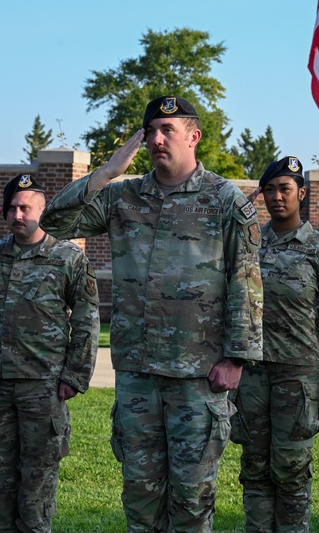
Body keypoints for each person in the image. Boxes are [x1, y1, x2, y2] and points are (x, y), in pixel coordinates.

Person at [39, 95, 263, 532]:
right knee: (140, 493)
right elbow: (54, 222)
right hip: (138, 370)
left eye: (168, 130)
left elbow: (247, 281)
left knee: (192, 496)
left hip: (197, 373)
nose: (158, 140)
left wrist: (236, 357)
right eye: (151, 132)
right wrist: (105, 173)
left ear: (194, 136)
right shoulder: (123, 196)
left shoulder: (224, 200)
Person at [0, 174, 100, 533]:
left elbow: (89, 320)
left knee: (38, 477)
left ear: (43, 212)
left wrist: (75, 375)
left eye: (25, 207)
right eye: (12, 207)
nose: (17, 214)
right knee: (0, 477)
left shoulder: (67, 258)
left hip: (42, 384)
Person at [231, 156, 319, 533]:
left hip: (299, 376)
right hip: (251, 374)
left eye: (285, 189)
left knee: (292, 470)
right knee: (254, 467)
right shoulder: (247, 245)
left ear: (302, 193)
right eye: (270, 190)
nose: (277, 197)